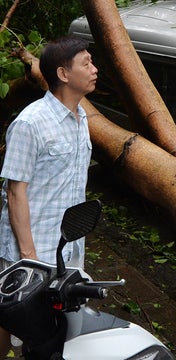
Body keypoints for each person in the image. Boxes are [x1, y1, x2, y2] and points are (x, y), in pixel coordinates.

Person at [0, 35, 97, 357]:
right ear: (63, 74)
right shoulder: (30, 123)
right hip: (32, 251)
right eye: (86, 63)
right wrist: (30, 259)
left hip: (68, 249)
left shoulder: (81, 118)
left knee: (53, 329)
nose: (94, 69)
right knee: (13, 322)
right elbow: (16, 192)